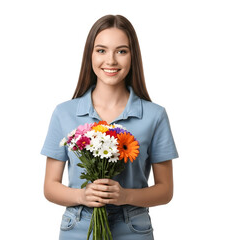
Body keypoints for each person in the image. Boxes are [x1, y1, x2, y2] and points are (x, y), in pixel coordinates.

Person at [41, 14, 178, 240]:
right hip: (77, 227)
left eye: (121, 51)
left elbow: (165, 191)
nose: (111, 61)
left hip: (133, 229)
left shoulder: (155, 115)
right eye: (101, 50)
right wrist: (83, 196)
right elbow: (50, 187)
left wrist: (125, 196)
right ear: (90, 55)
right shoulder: (63, 113)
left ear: (133, 56)